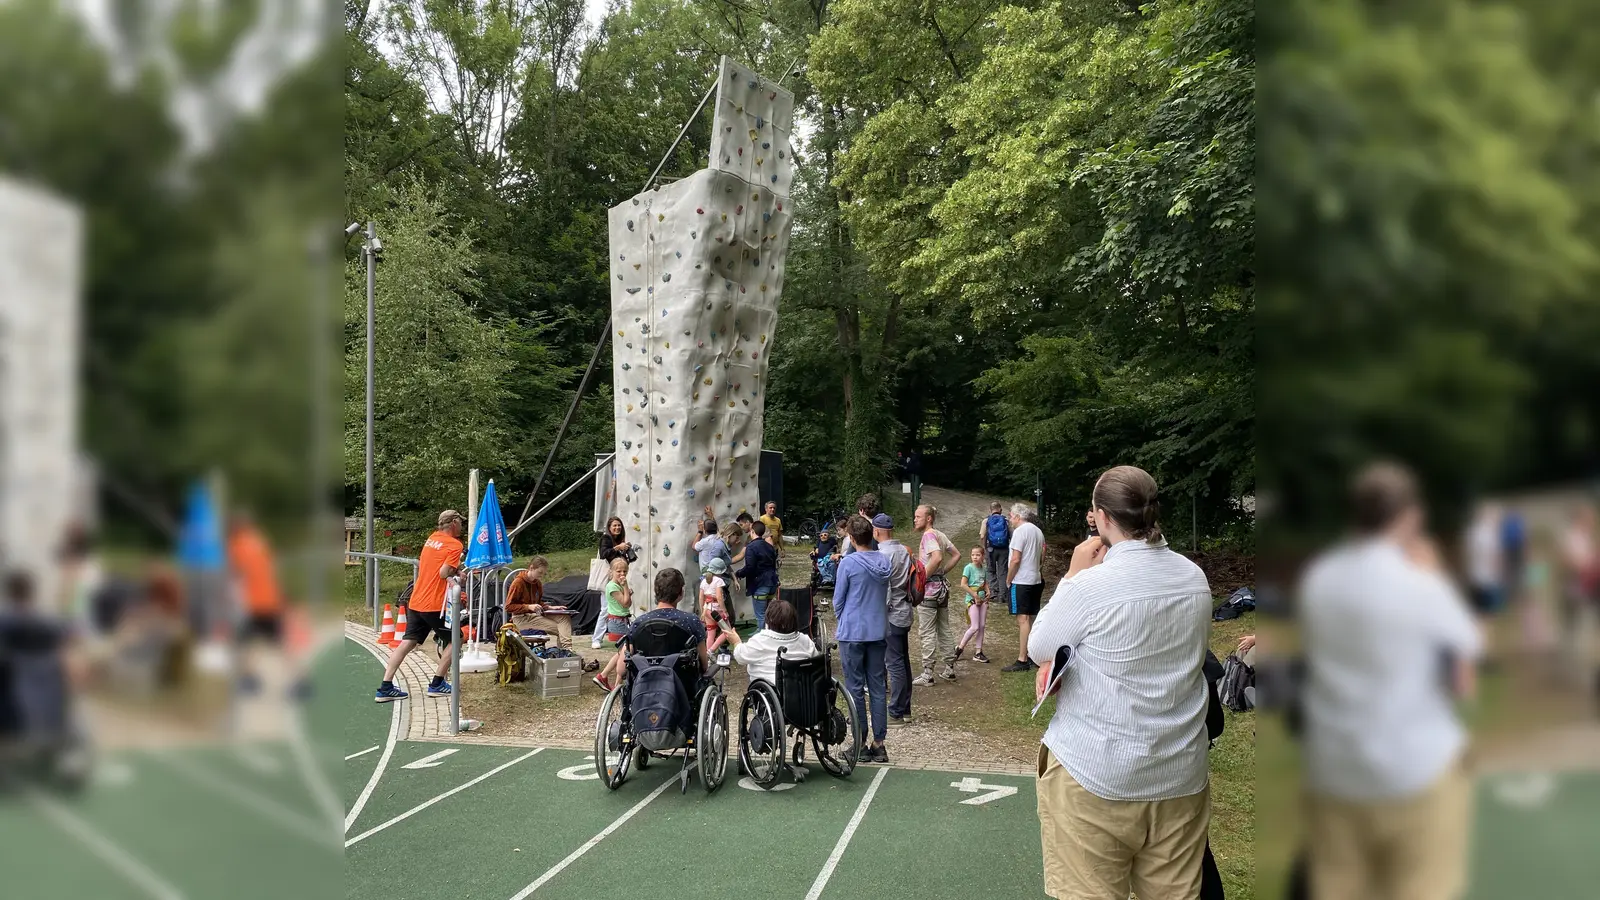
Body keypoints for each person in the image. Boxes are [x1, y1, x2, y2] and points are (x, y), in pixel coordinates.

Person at [1027, 465, 1214, 900]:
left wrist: (1072, 574)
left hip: (1096, 771)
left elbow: (1040, 646)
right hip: (1179, 772)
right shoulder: (1195, 578)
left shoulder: (1090, 587)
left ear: (1103, 517)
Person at [1299, 461, 1482, 900]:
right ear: (1410, 516)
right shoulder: (1420, 585)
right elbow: (1465, 668)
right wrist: (1433, 572)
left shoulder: (1320, 578)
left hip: (1335, 766)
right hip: (1415, 768)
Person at [375, 510, 465, 702]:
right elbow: (443, 573)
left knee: (408, 641)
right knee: (457, 638)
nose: (462, 526)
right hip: (434, 603)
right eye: (460, 522)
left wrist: (455, 569)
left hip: (416, 600)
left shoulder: (432, 539)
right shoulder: (455, 545)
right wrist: (456, 573)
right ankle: (437, 683)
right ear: (454, 523)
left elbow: (436, 564)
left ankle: (385, 686)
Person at [834, 514, 891, 762]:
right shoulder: (884, 561)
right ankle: (879, 742)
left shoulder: (848, 563)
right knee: (877, 687)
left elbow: (838, 599)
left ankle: (859, 741)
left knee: (855, 688)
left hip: (853, 631)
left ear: (852, 537)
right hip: (877, 629)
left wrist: (844, 618)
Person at [873, 514, 915, 724]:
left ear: (877, 531)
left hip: (892, 614)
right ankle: (905, 708)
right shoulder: (903, 550)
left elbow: (885, 588)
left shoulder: (883, 554)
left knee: (894, 663)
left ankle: (896, 711)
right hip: (905, 610)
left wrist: (880, 612)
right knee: (903, 660)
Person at [718, 598, 817, 686]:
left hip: (770, 691)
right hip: (802, 690)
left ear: (769, 621)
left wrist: (736, 642)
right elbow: (816, 659)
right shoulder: (805, 640)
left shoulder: (760, 640)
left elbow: (741, 656)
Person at [913, 504, 960, 685]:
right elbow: (956, 555)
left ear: (929, 518)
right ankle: (949, 668)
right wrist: (942, 573)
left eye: (918, 516)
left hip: (929, 592)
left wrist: (922, 578)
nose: (915, 519)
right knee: (944, 628)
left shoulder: (929, 536)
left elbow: (937, 557)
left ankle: (928, 673)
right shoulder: (940, 534)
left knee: (927, 631)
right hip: (942, 590)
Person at [626, 568, 708, 670]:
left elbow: (621, 668)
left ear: (655, 591)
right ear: (681, 593)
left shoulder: (639, 623)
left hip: (646, 677)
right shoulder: (691, 621)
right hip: (683, 678)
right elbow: (704, 665)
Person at [1002, 503, 1046, 673]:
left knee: (1023, 619)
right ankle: (1034, 655)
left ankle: (1022, 659)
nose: (1010, 520)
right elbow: (1042, 554)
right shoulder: (1038, 531)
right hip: (1035, 579)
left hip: (1021, 580)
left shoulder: (1020, 532)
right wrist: (1037, 569)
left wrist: (1009, 579)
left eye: (1011, 517)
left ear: (1018, 517)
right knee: (1032, 618)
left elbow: (1015, 559)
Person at [504, 557, 575, 651]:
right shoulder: (518, 583)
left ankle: (567, 650)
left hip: (535, 615)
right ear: (531, 568)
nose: (541, 575)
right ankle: (566, 651)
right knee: (562, 630)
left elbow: (537, 603)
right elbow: (508, 606)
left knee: (564, 617)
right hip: (521, 618)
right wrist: (528, 607)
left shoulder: (537, 583)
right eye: (540, 572)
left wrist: (550, 607)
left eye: (543, 573)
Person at [592, 557, 635, 692]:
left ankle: (611, 681)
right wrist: (626, 588)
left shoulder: (618, 585)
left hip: (622, 620)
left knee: (622, 652)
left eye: (625, 571)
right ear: (611, 572)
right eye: (619, 571)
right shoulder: (612, 586)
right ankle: (609, 679)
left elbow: (628, 602)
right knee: (625, 652)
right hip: (617, 622)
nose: (622, 574)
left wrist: (626, 592)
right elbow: (625, 603)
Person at [737, 520, 779, 629]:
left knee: (760, 616)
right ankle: (768, 633)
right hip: (772, 583)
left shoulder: (751, 547)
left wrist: (739, 573)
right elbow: (773, 565)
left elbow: (750, 567)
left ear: (752, 531)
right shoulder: (769, 546)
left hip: (760, 584)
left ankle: (761, 635)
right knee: (768, 614)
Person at [955, 547, 990, 663]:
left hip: (983, 600)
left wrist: (988, 591)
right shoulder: (968, 568)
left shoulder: (983, 569)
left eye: (978, 555)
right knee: (975, 626)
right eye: (973, 555)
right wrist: (974, 595)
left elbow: (984, 583)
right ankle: (960, 648)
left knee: (982, 626)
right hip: (972, 600)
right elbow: (963, 584)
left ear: (983, 556)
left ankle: (978, 652)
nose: (975, 557)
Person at [698, 558, 731, 653]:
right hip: (717, 610)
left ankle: (708, 655)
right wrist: (725, 611)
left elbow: (701, 597)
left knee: (710, 634)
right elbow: (719, 597)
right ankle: (711, 650)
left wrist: (702, 611)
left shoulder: (704, 581)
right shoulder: (719, 580)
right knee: (728, 631)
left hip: (706, 609)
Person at [981, 501, 1011, 604]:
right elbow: (1011, 535)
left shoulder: (986, 521)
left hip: (990, 549)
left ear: (990, 510)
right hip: (1004, 549)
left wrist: (984, 548)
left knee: (990, 571)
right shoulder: (1006, 520)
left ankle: (993, 594)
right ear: (1000, 510)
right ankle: (1003, 596)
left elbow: (982, 536)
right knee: (1003, 572)